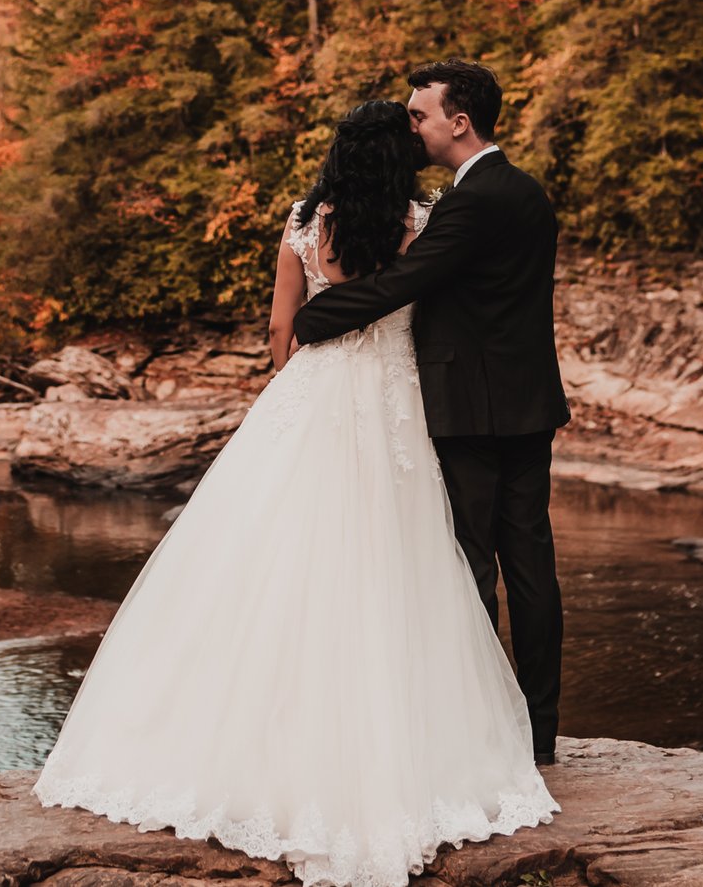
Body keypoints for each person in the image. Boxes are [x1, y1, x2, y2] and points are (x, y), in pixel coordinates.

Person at [34, 97, 555, 887]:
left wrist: (299, 368)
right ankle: (439, 741)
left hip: (312, 397)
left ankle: (251, 743)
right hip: (395, 402)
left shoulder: (305, 222)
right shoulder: (420, 221)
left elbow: (281, 334)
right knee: (402, 562)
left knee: (269, 557)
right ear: (395, 156)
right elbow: (419, 311)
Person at [287, 59, 567, 765]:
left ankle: (480, 731)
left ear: (458, 121)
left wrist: (315, 318)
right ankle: (537, 732)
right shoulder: (527, 191)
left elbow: (406, 281)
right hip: (530, 402)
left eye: (420, 114)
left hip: (469, 407)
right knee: (531, 569)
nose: (412, 125)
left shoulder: (469, 202)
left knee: (469, 567)